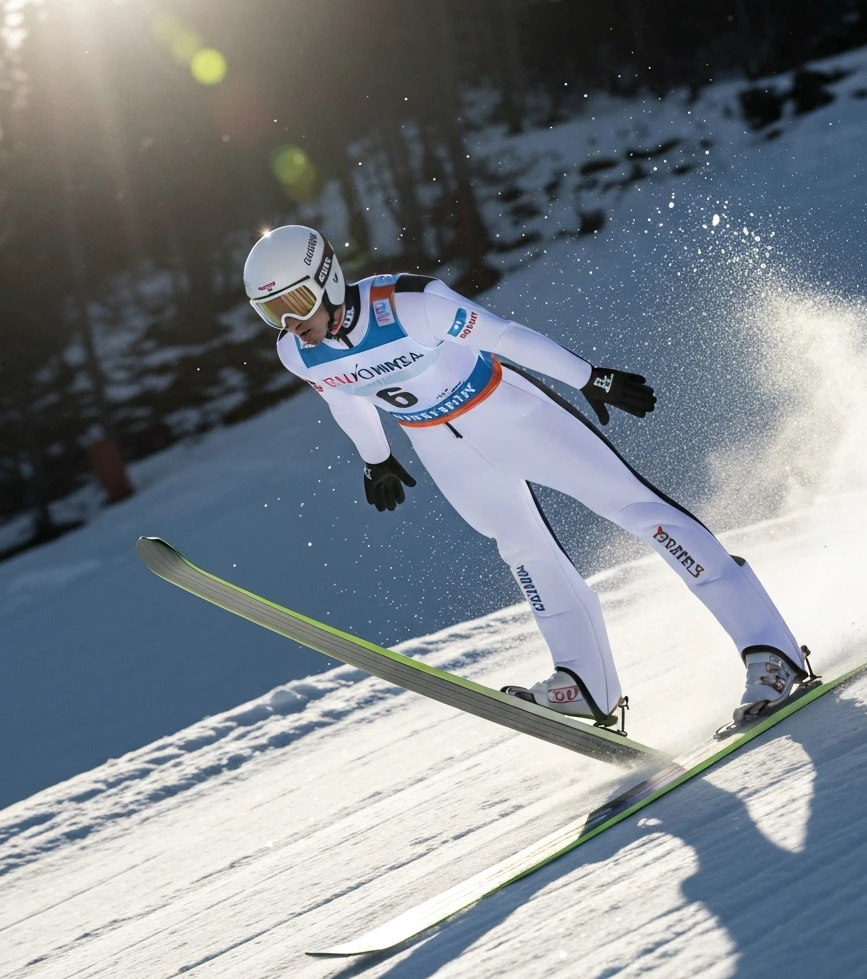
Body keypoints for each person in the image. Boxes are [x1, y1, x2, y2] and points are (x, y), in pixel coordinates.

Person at [243, 225, 807, 726]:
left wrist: (588, 377)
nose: (291, 323)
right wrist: (375, 456)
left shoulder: (409, 303)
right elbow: (346, 398)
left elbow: (505, 336)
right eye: (273, 314)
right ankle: (585, 684)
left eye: (295, 302)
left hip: (508, 412)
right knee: (521, 550)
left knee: (639, 512)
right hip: (440, 445)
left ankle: (769, 649)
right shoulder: (298, 352)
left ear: (327, 279)